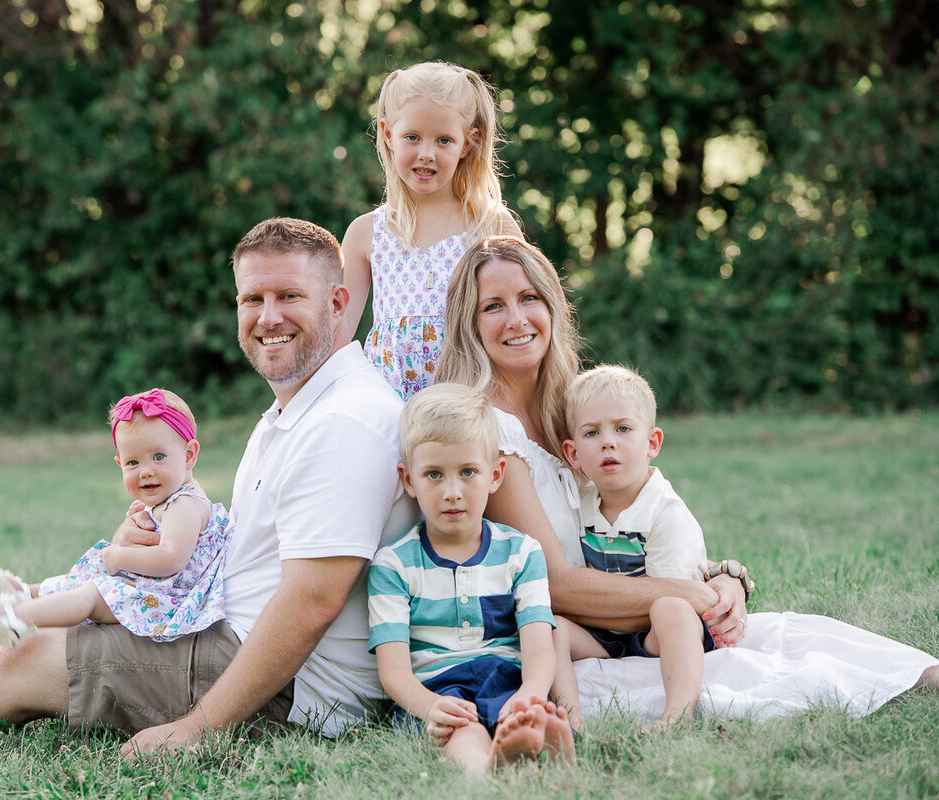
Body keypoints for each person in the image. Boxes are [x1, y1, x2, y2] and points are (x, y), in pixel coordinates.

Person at [0, 218, 418, 756]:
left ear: (337, 301)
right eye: (252, 298)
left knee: (28, 655)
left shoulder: (349, 419)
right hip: (225, 627)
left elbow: (312, 601)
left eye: (288, 296)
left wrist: (201, 726)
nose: (267, 316)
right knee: (34, 607)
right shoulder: (304, 406)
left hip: (288, 690)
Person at [438, 235, 939, 723]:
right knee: (747, 669)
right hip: (564, 630)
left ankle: (921, 672)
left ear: (552, 307)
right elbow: (556, 582)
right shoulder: (487, 430)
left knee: (793, 637)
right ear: (470, 323)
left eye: (529, 298)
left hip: (626, 608)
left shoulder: (571, 408)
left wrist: (720, 579)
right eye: (493, 306)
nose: (517, 319)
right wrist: (690, 596)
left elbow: (634, 515)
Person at [368, 383, 575, 771]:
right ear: (408, 479)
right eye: (433, 474)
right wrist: (429, 706)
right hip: (438, 692)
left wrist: (529, 693)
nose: (452, 492)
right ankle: (483, 774)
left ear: (495, 474)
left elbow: (539, 648)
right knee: (464, 732)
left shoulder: (522, 552)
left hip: (507, 681)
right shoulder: (393, 565)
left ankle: (537, 747)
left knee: (528, 717)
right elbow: (393, 670)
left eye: (468, 472)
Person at [0, 388, 228, 647]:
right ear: (120, 462)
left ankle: (16, 618)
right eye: (133, 462)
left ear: (189, 455)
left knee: (91, 593)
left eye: (158, 456)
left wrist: (119, 556)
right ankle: (28, 593)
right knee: (86, 579)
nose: (145, 471)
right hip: (154, 588)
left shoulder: (185, 506)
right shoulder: (172, 497)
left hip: (167, 601)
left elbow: (172, 558)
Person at [340, 61, 523, 399]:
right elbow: (336, 338)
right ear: (388, 133)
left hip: (468, 408)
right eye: (412, 137)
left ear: (467, 144)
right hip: (385, 409)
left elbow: (517, 323)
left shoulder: (492, 226)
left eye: (444, 140)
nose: (426, 154)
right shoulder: (366, 233)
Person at [549, 365, 713, 732]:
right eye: (592, 433)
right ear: (573, 454)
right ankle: (568, 718)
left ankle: (676, 717)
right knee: (553, 627)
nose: (608, 442)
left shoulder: (665, 512)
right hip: (604, 634)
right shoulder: (581, 503)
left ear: (652, 443)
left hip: (657, 633)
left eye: (623, 429)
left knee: (672, 609)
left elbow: (672, 595)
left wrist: (595, 611)